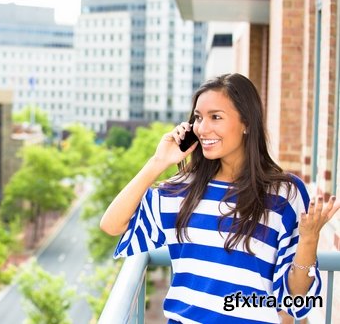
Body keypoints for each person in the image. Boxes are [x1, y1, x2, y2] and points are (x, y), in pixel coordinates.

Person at [100, 73, 339, 323]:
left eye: (216, 117)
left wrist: (310, 239)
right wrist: (158, 162)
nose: (202, 128)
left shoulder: (285, 194)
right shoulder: (181, 190)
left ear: (246, 122)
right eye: (198, 118)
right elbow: (112, 224)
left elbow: (296, 300)